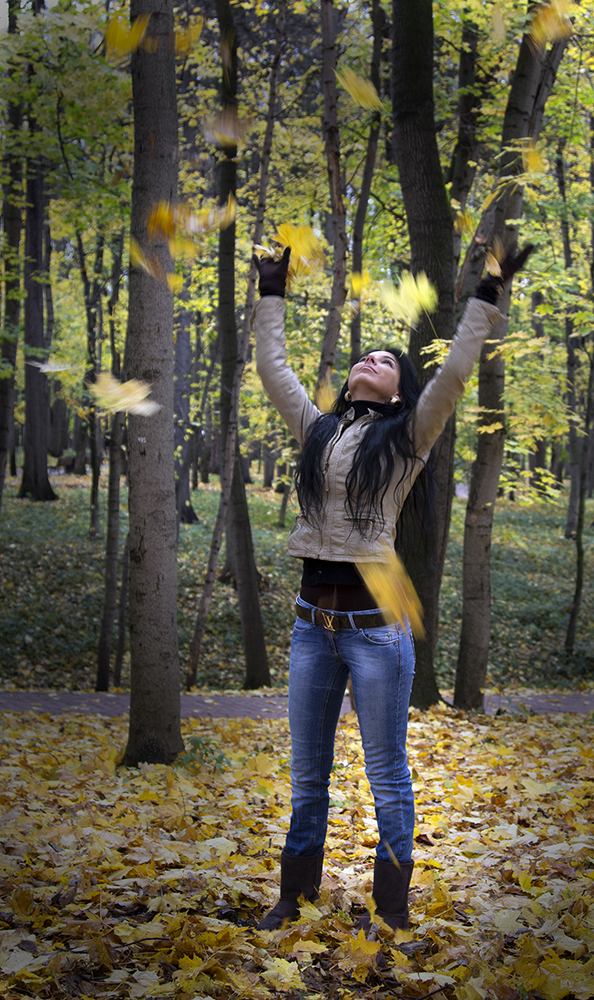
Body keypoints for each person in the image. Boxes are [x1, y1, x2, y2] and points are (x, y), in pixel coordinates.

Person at [252, 245, 532, 932]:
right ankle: (292, 899)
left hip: (376, 631)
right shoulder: (315, 430)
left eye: (385, 359)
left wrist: (486, 300)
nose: (369, 360)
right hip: (310, 626)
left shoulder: (410, 438)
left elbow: (456, 375)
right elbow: (271, 367)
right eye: (363, 356)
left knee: (387, 776)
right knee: (307, 776)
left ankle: (394, 912)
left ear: (402, 389)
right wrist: (270, 290)